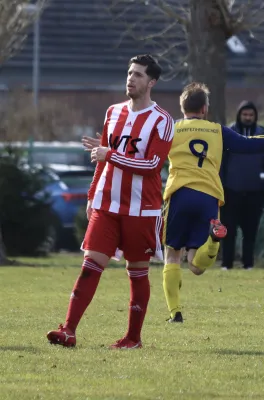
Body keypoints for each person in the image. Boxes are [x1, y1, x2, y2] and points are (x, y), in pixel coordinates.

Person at [46, 54, 174, 349]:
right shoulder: (113, 112)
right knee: (90, 265)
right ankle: (68, 330)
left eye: (139, 75)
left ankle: (133, 338)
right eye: (129, 73)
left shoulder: (163, 120)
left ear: (152, 82)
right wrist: (93, 194)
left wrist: (110, 154)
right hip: (106, 204)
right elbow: (102, 161)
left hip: (142, 208)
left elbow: (153, 164)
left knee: (137, 271)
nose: (131, 78)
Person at [163, 82, 264, 323]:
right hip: (208, 196)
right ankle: (214, 242)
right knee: (196, 265)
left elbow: (145, 149)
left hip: (180, 194)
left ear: (182, 107)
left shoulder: (171, 129)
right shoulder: (217, 131)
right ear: (204, 109)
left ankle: (175, 313)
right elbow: (252, 144)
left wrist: (108, 149)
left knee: (172, 255)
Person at [220, 101, 264, 270]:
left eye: (251, 115)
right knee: (228, 230)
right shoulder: (228, 133)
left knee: (250, 231)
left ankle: (248, 264)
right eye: (245, 115)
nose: (248, 118)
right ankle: (226, 264)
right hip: (231, 190)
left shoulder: (262, 134)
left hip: (255, 191)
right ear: (239, 115)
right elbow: (221, 162)